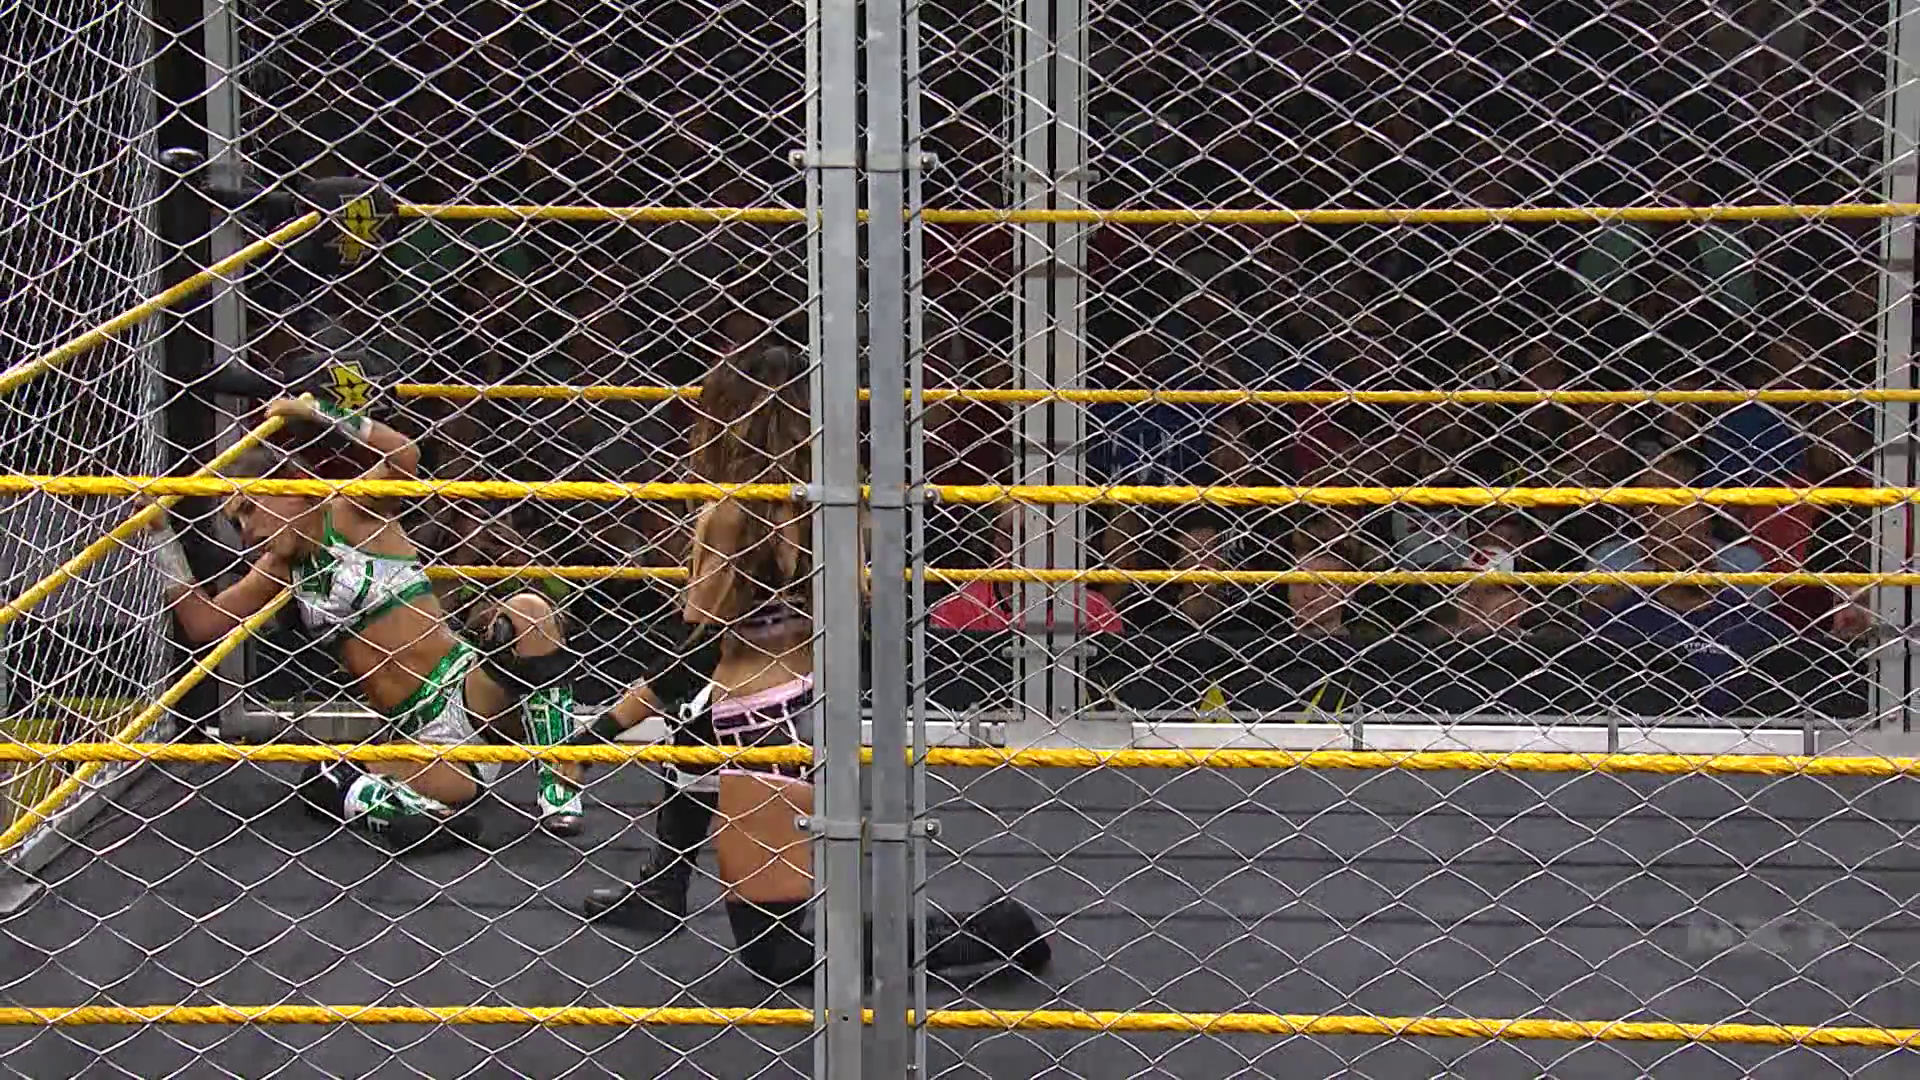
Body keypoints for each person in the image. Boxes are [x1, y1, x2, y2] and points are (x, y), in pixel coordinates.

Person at [575, 343, 1050, 985]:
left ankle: (991, 932)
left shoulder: (729, 515)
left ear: (727, 417)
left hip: (759, 726)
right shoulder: (841, 503)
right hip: (809, 701)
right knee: (696, 723)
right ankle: (664, 884)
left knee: (780, 956)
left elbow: (695, 652)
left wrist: (602, 730)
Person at [147, 395, 589, 851]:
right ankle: (421, 816)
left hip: (471, 691)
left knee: (530, 611)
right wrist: (161, 537)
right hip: (418, 738)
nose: (246, 532)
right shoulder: (278, 569)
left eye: (249, 510)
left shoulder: (352, 509)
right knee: (324, 780)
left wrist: (319, 412)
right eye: (235, 522)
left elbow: (405, 456)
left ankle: (559, 785)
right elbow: (205, 623)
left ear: (289, 487)